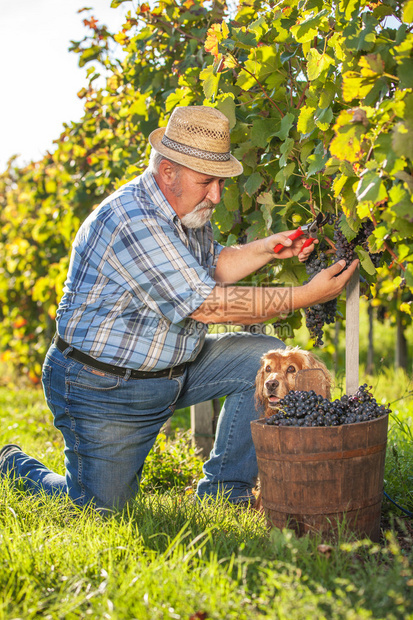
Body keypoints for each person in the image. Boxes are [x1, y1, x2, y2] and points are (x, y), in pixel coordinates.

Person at [0, 106, 358, 512]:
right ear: (167, 171)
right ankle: (14, 466)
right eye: (207, 182)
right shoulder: (133, 219)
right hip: (105, 387)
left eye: (220, 183)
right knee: (100, 510)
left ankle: (225, 494)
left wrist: (267, 249)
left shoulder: (188, 210)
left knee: (256, 364)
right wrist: (304, 295)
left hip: (174, 369)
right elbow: (207, 304)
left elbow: (212, 266)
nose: (217, 195)